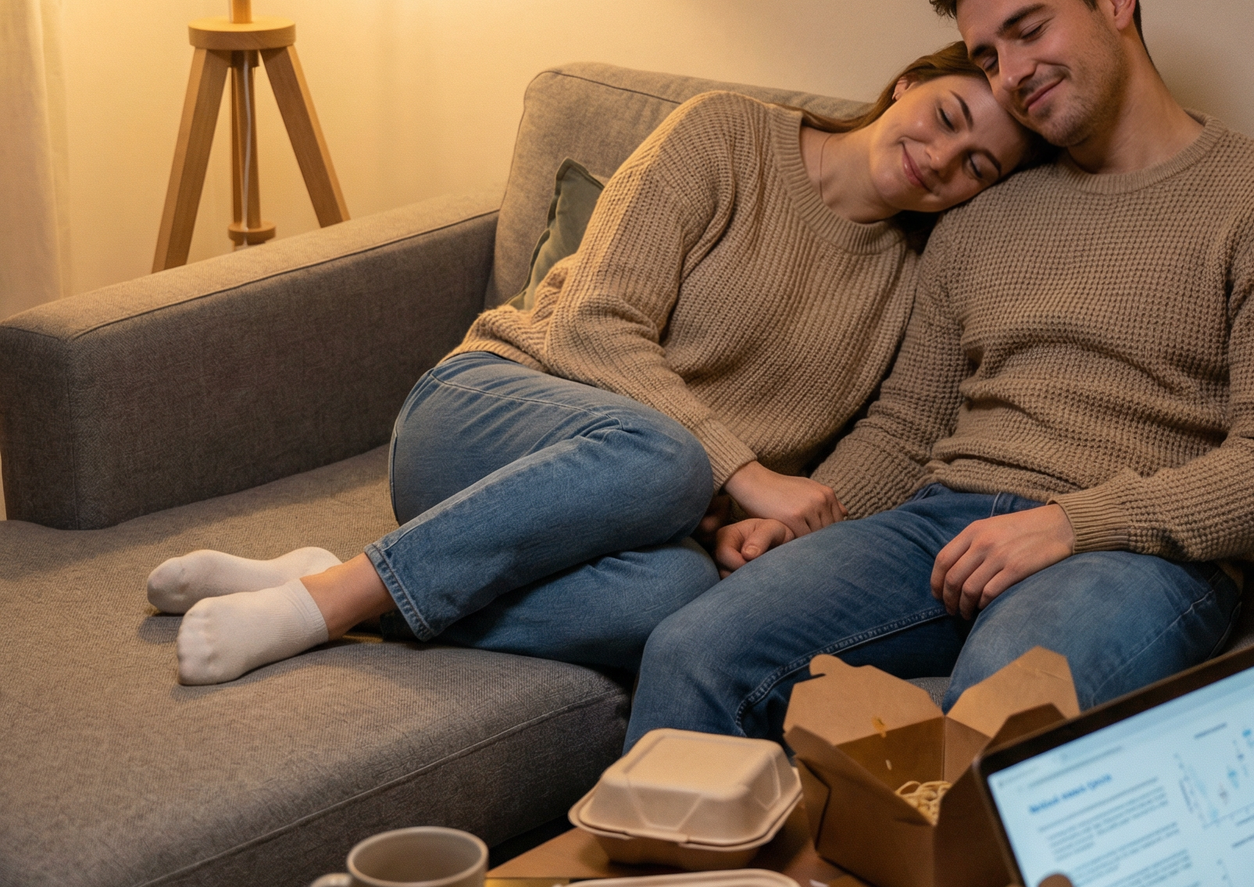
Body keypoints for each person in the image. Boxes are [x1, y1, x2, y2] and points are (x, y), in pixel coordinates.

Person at [625, 0, 1254, 746]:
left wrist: (1070, 524)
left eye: (1028, 29)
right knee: (691, 648)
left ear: (1115, 0)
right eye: (986, 52)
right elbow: (907, 430)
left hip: (1134, 554)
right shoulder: (979, 214)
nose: (1010, 70)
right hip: (941, 526)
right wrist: (795, 523)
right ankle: (689, 882)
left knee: (996, 719)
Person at [149, 43, 1040, 685]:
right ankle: (331, 601)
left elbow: (891, 436)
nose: (944, 158)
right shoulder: (729, 135)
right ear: (909, 82)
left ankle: (357, 581)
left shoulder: (919, 275)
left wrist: (774, 531)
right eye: (948, 116)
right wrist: (746, 475)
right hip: (487, 417)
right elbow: (592, 325)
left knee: (682, 600)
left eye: (978, 166)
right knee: (666, 455)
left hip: (625, 520)